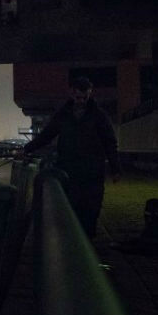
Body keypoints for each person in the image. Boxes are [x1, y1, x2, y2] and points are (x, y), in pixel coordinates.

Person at [23, 76, 121, 237]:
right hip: (70, 170)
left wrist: (116, 168)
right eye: (78, 96)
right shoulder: (63, 115)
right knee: (73, 208)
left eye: (84, 96)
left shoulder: (98, 116)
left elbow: (110, 142)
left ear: (90, 94)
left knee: (91, 210)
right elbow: (47, 135)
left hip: (92, 172)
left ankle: (86, 242)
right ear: (71, 93)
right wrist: (27, 148)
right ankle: (77, 244)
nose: (81, 100)